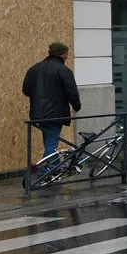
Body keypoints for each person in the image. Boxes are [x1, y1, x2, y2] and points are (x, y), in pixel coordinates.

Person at [22, 43, 81, 172]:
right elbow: (71, 91)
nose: (67, 57)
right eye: (66, 54)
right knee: (52, 142)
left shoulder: (34, 69)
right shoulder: (63, 70)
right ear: (60, 54)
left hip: (37, 113)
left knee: (49, 141)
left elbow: (26, 90)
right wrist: (77, 106)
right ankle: (48, 170)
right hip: (56, 113)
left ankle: (51, 169)